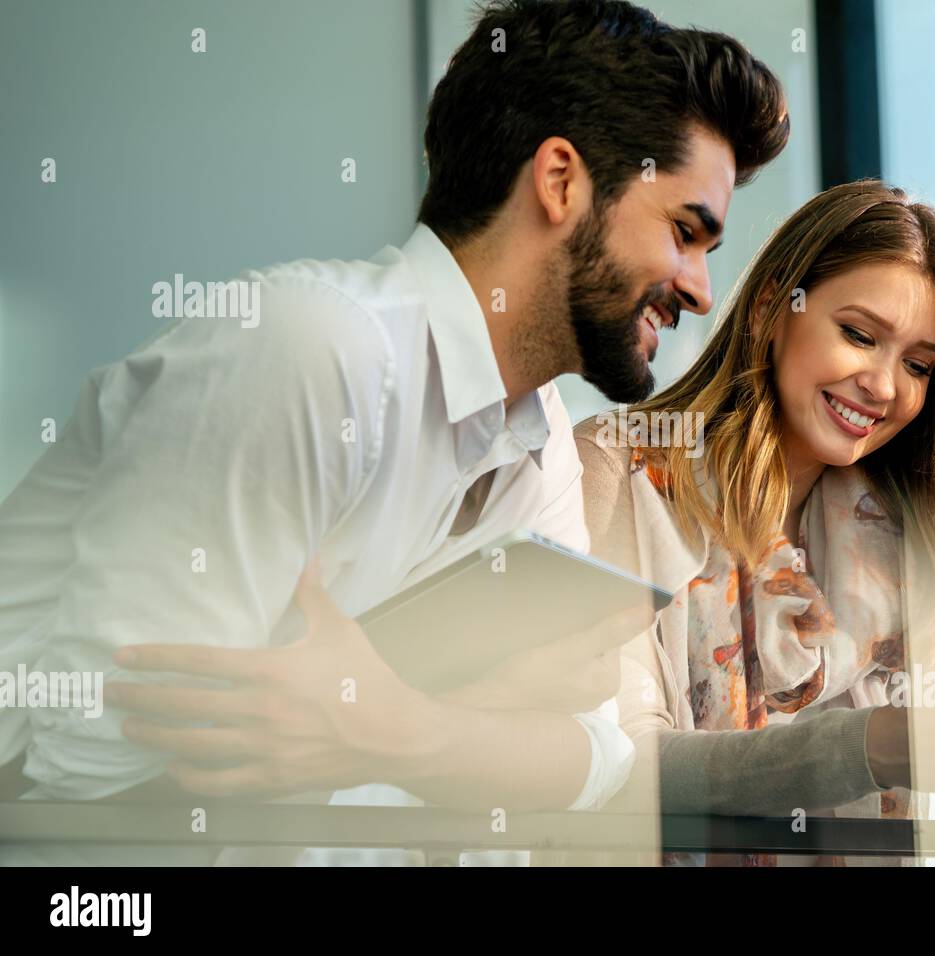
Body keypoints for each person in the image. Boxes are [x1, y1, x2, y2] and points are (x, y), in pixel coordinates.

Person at [0, 0, 789, 863]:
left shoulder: (541, 441)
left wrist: (388, 725)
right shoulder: (312, 350)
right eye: (685, 232)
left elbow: (595, 758)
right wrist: (468, 718)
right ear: (560, 180)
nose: (703, 289)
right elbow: (87, 783)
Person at [576, 179, 935, 865]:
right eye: (859, 335)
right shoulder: (617, 471)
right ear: (773, 308)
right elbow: (612, 767)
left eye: (917, 364)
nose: (884, 386)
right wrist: (876, 744)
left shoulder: (911, 530)